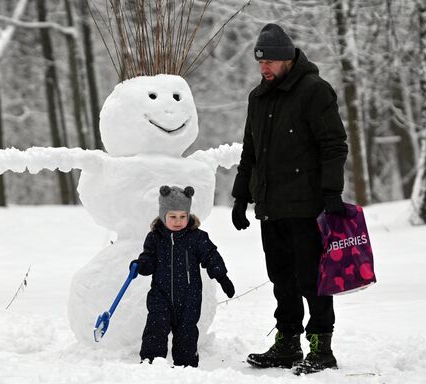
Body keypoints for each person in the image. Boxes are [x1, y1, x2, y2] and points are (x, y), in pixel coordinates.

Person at [231, 23, 348, 375]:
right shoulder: (258, 97)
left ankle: (320, 345)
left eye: (272, 61)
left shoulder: (314, 91)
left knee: (312, 277)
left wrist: (332, 192)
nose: (265, 68)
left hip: (308, 204)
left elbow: (334, 144)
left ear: (288, 58)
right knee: (281, 277)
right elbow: (251, 150)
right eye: (260, 62)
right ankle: (287, 343)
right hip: (271, 206)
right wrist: (241, 196)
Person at [130, 185, 235, 368]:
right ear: (163, 216)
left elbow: (211, 256)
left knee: (187, 333)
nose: (178, 221)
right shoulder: (155, 238)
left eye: (182, 216)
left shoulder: (197, 237)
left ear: (188, 215)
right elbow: (148, 258)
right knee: (155, 328)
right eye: (172, 217)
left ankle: (185, 367)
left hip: (189, 296)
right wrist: (140, 264)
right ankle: (151, 364)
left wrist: (222, 276)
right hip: (160, 295)